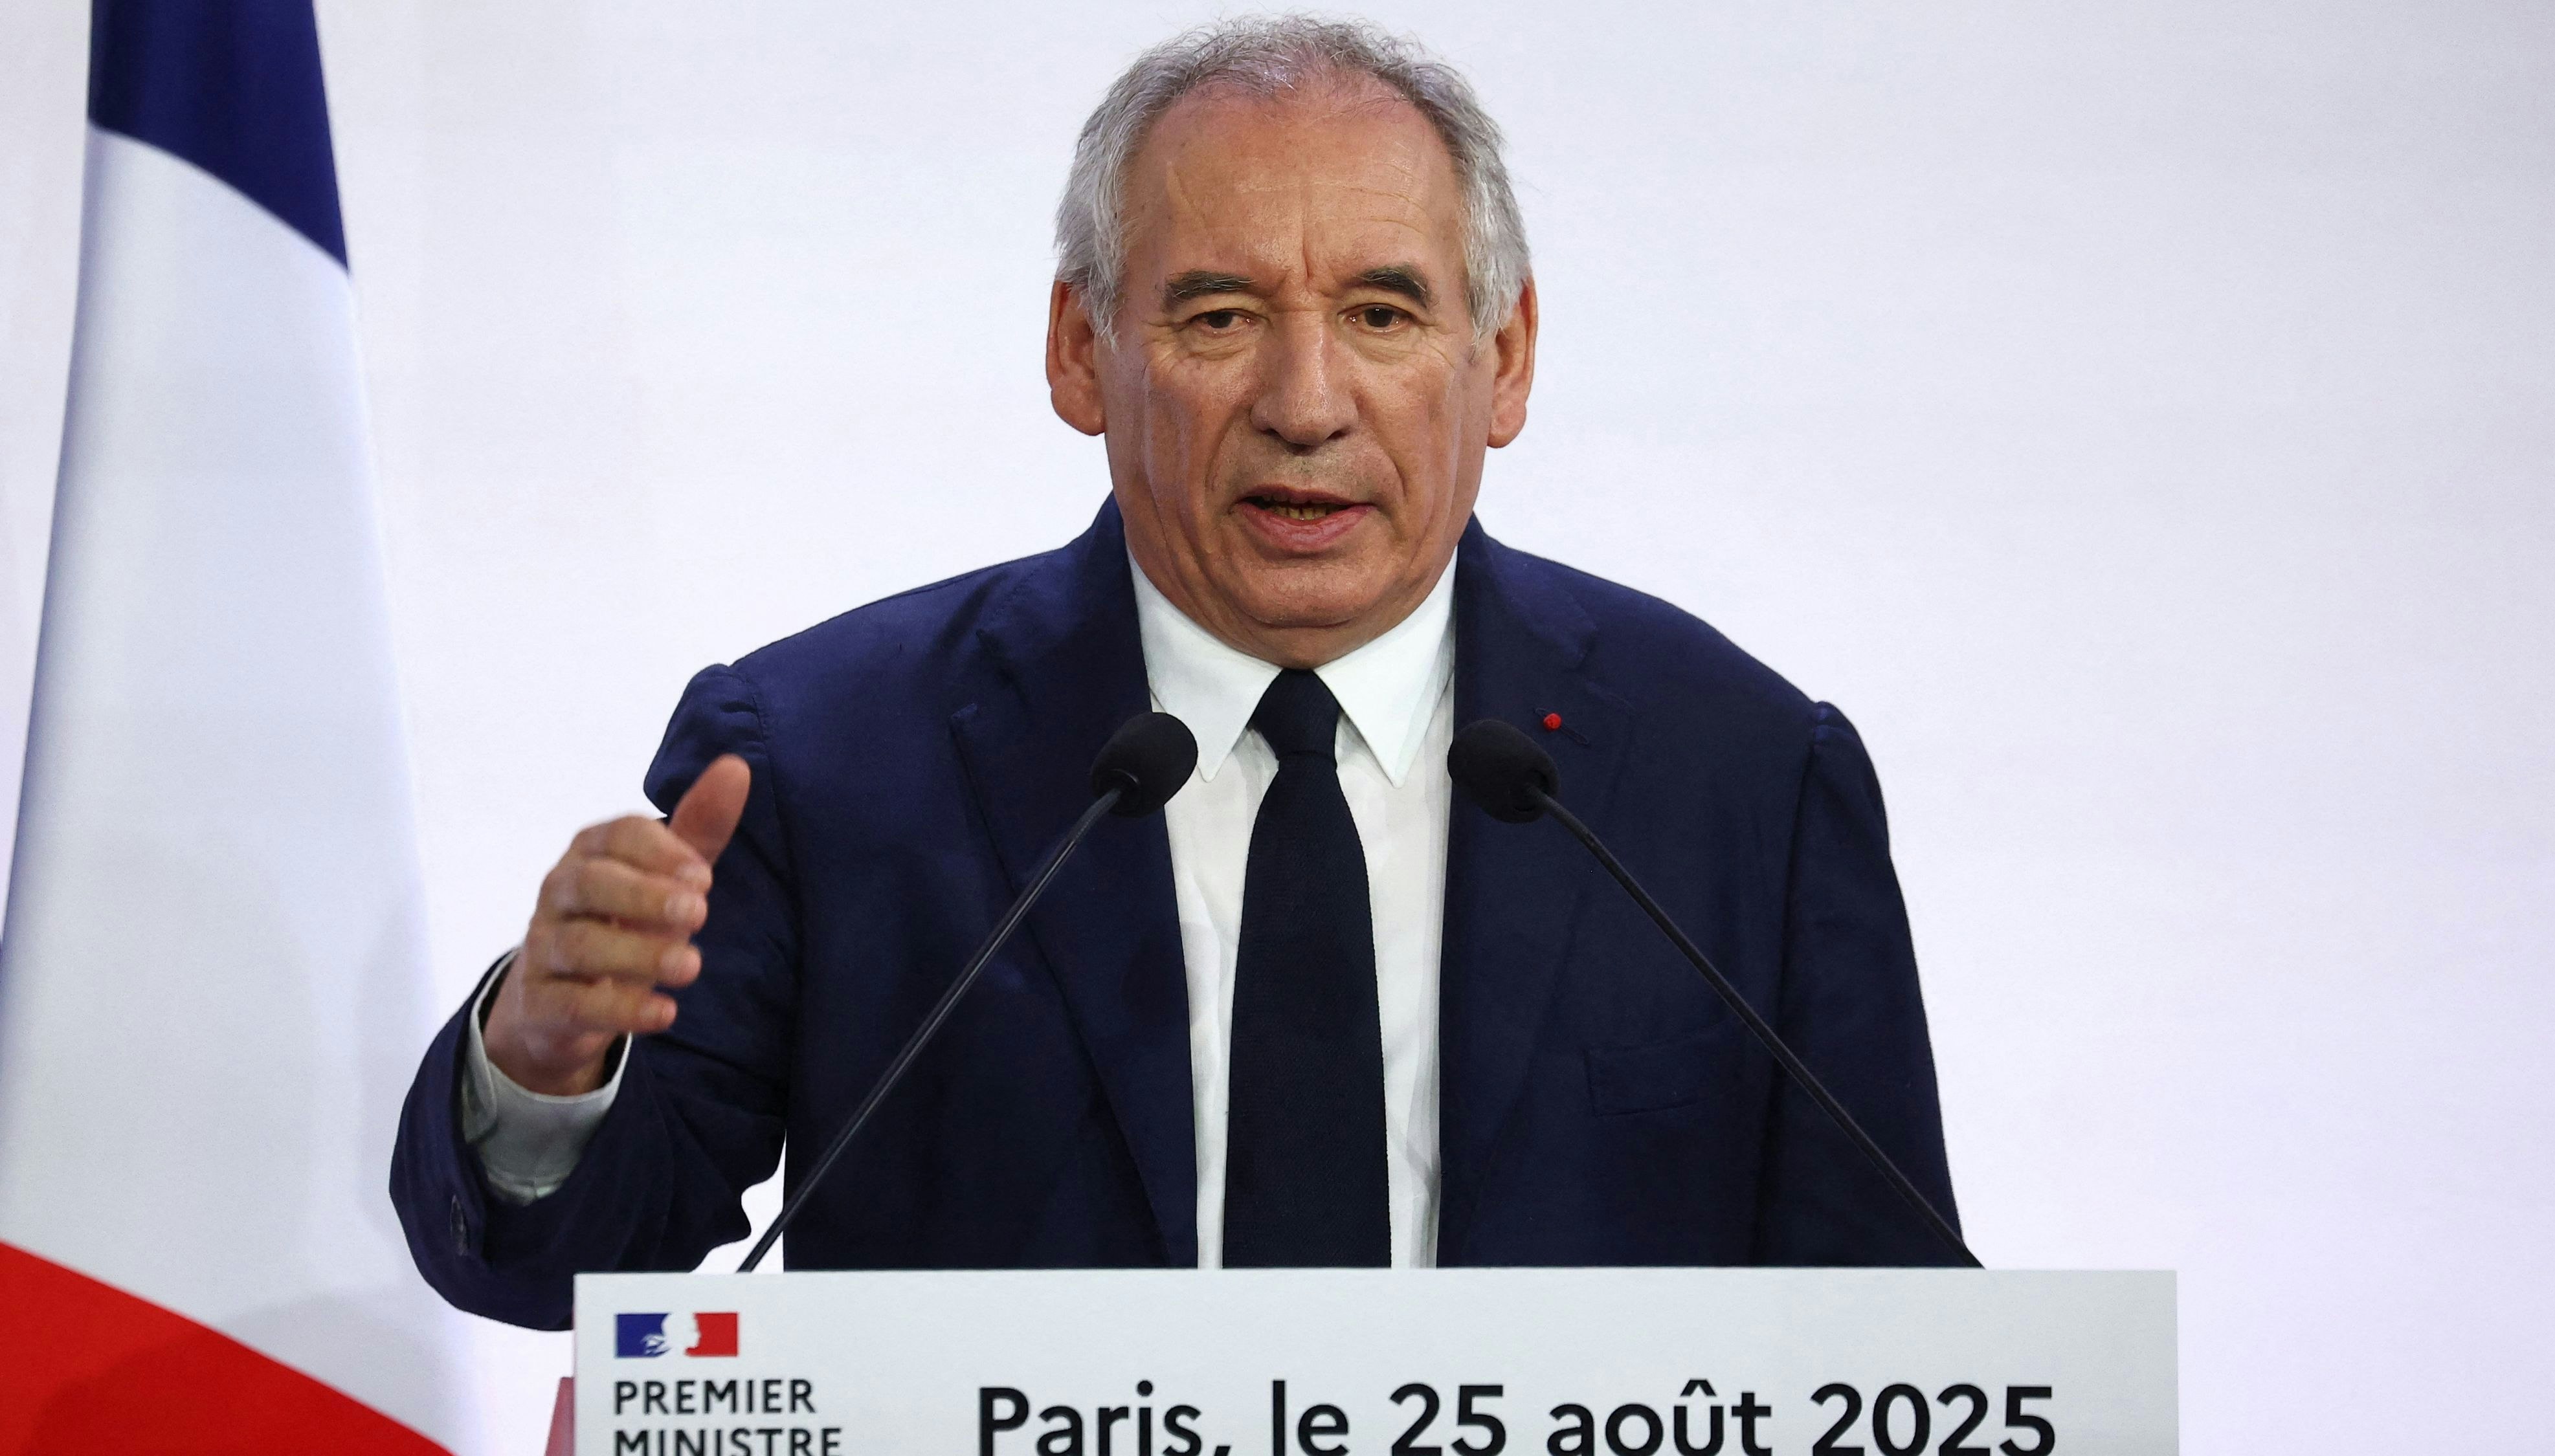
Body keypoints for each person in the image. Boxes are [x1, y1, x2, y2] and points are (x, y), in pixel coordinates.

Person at [392, 16, 1959, 1330]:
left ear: (1508, 358)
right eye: (1217, 314)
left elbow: (1898, 1333)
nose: (1305, 399)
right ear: (1082, 351)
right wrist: (545, 1064)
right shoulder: (826, 758)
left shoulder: (1736, 778)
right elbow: (577, 1269)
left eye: (1383, 310)